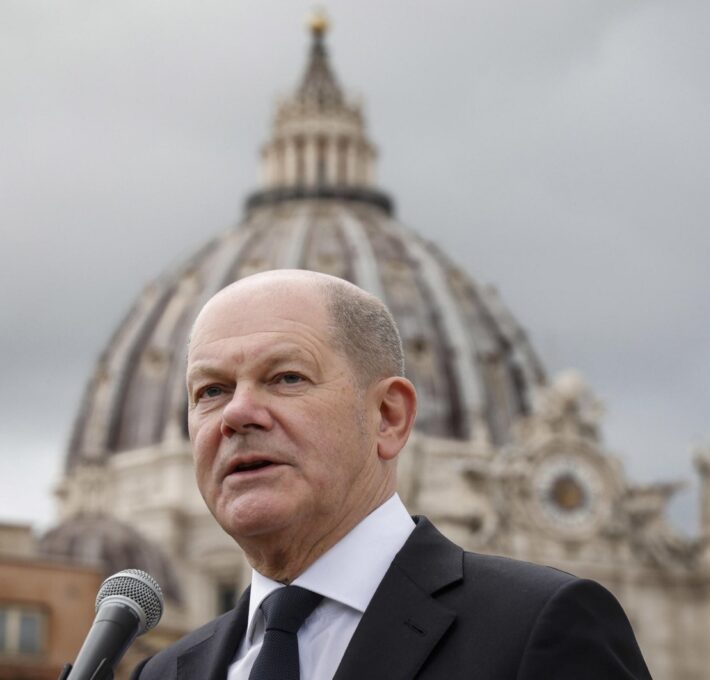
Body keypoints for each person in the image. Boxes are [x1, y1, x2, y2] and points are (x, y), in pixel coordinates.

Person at [132, 269, 652, 680]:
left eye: (286, 378)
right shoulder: (160, 672)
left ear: (389, 417)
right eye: (211, 391)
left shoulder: (539, 626)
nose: (238, 413)